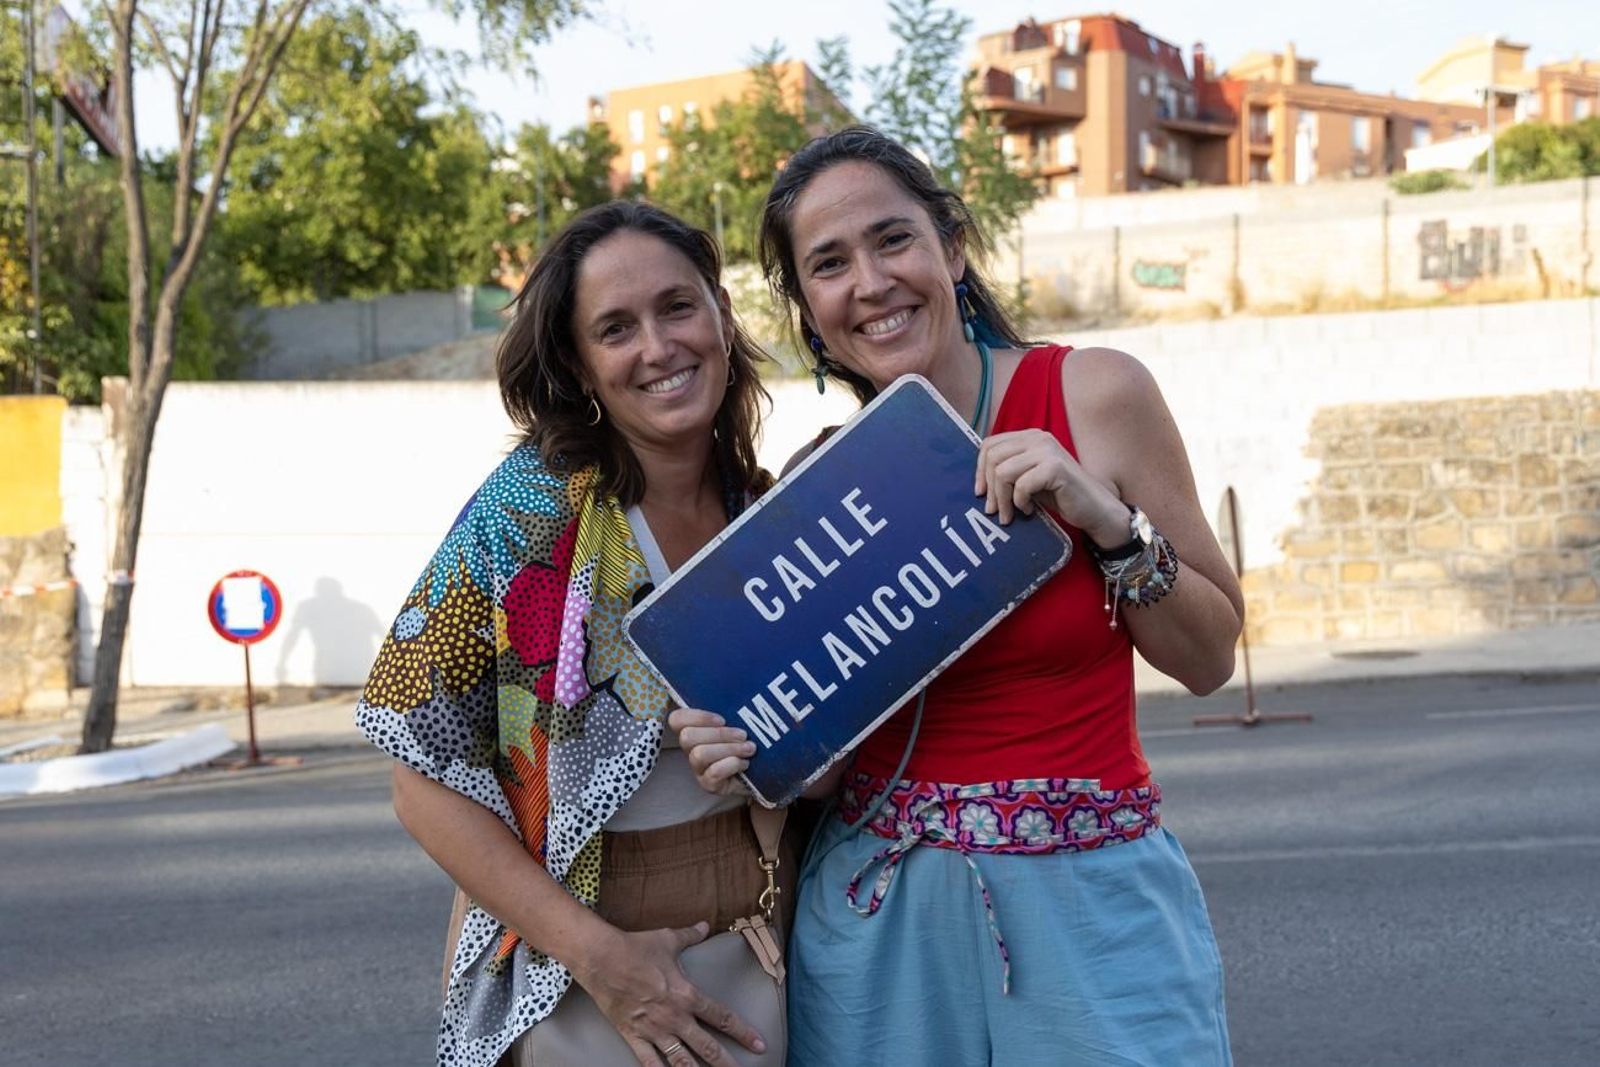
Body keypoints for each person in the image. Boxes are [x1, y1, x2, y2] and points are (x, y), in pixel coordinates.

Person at [673, 125, 1244, 1065]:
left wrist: (1106, 523)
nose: (871, 281)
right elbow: (822, 767)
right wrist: (748, 749)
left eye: (893, 239)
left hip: (1095, 910)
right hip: (877, 922)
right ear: (811, 312)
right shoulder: (819, 486)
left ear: (952, 246)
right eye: (829, 264)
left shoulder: (1093, 394)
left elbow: (1211, 658)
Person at [356, 201, 800, 1067]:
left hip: (770, 959)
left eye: (678, 306)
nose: (658, 346)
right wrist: (604, 961)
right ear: (581, 366)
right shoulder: (527, 510)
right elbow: (418, 774)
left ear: (719, 313)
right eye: (615, 328)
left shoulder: (768, 508)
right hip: (581, 983)